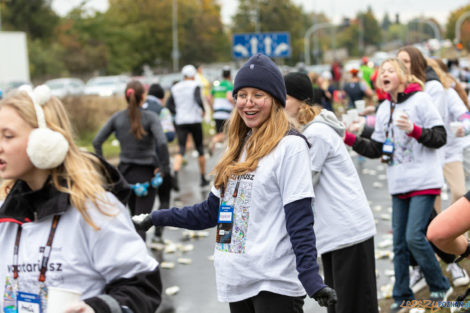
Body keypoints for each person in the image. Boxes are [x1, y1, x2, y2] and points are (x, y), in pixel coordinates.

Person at [134, 54, 337, 312]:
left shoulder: (290, 146)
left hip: (273, 282)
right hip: (236, 279)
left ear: (275, 100)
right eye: (242, 95)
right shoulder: (237, 148)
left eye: (257, 95)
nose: (248, 103)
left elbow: (299, 219)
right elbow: (211, 213)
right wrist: (156, 218)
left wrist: (311, 278)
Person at [0, 85, 161, 313]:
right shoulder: (4, 216)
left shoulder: (95, 209)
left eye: (8, 136)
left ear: (43, 140)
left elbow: (142, 286)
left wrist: (97, 309)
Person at [343, 58, 451, 312]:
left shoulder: (421, 100)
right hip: (398, 184)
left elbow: (440, 137)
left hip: (424, 181)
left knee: (414, 237)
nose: (385, 74)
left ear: (403, 76)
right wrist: (347, 137)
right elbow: (376, 149)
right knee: (398, 244)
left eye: (391, 70)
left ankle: (440, 284)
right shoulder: (383, 109)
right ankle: (402, 294)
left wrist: (413, 129)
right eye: (382, 72)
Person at [284, 72, 378, 313]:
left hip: (348, 231)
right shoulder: (311, 130)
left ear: (300, 101)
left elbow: (302, 182)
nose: (278, 103)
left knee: (355, 306)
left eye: (283, 97)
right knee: (339, 306)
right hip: (336, 234)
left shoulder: (317, 134)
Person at [398, 46, 469, 292]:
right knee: (430, 217)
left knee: (459, 193)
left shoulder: (441, 90)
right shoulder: (401, 93)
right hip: (426, 160)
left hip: (449, 152)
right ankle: (439, 262)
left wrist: (463, 128)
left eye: (406, 61)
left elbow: (464, 116)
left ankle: (456, 256)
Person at [93, 80, 170, 240]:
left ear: (125, 97)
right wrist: (164, 168)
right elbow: (162, 142)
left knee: (129, 222)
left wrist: (104, 169)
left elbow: (97, 141)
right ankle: (140, 261)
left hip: (124, 177)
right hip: (147, 176)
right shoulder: (151, 117)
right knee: (141, 223)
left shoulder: (117, 118)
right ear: (143, 96)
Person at [166, 65, 209, 190]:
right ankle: (202, 178)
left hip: (181, 121)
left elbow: (169, 104)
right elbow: (197, 99)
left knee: (182, 149)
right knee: (200, 148)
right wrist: (202, 110)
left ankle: (175, 173)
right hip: (195, 120)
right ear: (193, 75)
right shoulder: (195, 85)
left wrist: (177, 112)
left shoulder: (175, 87)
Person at [143, 83, 174, 242]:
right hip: (158, 160)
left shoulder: (137, 107)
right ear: (162, 98)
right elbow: (168, 136)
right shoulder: (162, 111)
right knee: (164, 199)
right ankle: (158, 234)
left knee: (140, 205)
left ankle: (138, 239)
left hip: (138, 162)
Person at [208, 66, 234, 156]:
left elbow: (208, 98)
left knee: (220, 133)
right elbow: (229, 97)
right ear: (230, 75)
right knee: (227, 134)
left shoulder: (217, 85)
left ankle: (215, 142)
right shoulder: (229, 84)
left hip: (217, 113)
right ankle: (217, 143)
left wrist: (212, 108)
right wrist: (236, 106)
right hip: (226, 113)